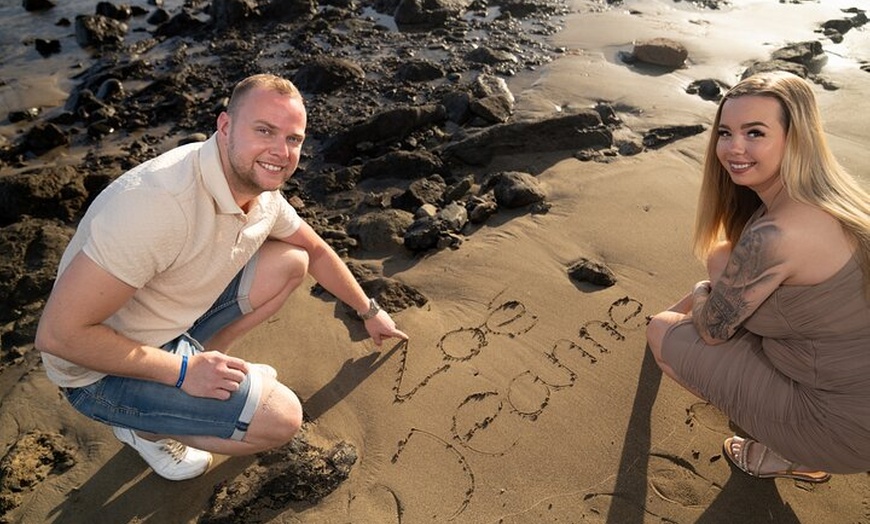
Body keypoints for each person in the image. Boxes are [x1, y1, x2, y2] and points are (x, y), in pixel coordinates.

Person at [35, 73, 409, 481]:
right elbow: (59, 337)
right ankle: (144, 428)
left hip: (164, 324)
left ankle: (205, 368)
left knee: (290, 261)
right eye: (264, 130)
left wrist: (369, 311)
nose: (281, 151)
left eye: (293, 139)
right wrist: (181, 374)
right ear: (225, 126)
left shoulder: (260, 191)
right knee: (281, 420)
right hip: (98, 371)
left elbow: (317, 250)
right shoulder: (156, 205)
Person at [646, 71, 870, 482]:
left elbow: (712, 329)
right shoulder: (846, 201)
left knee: (662, 331)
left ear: (795, 137)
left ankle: (791, 453)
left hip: (841, 429)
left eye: (754, 133)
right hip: (856, 395)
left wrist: (709, 279)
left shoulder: (776, 234)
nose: (733, 148)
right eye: (725, 132)